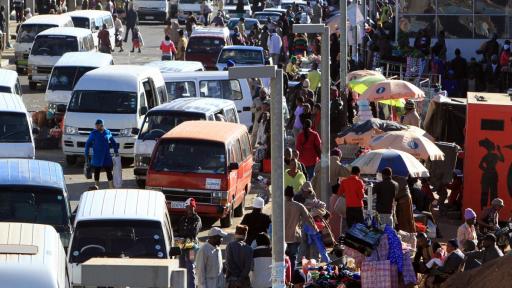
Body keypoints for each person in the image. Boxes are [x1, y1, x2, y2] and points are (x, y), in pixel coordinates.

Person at [284, 185, 317, 272]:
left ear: (285, 195)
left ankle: (284, 278)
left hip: (282, 238)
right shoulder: (299, 206)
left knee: (281, 259)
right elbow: (309, 218)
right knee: (293, 257)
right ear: (293, 195)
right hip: (294, 236)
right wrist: (315, 229)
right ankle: (292, 276)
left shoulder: (279, 206)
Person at [84, 119, 118, 188]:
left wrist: (116, 151)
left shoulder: (107, 132)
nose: (96, 127)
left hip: (106, 157)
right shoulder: (93, 133)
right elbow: (87, 144)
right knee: (97, 172)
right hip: (97, 157)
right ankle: (97, 187)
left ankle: (111, 187)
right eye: (96, 125)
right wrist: (86, 155)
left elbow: (113, 142)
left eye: (97, 125)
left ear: (101, 125)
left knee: (109, 172)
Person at [177, 198, 202, 288]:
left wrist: (184, 235)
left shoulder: (197, 219)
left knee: (190, 266)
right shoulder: (183, 219)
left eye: (191, 207)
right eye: (188, 207)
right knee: (181, 266)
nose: (190, 209)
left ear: (194, 207)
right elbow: (179, 230)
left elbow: (194, 232)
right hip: (182, 245)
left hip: (191, 246)